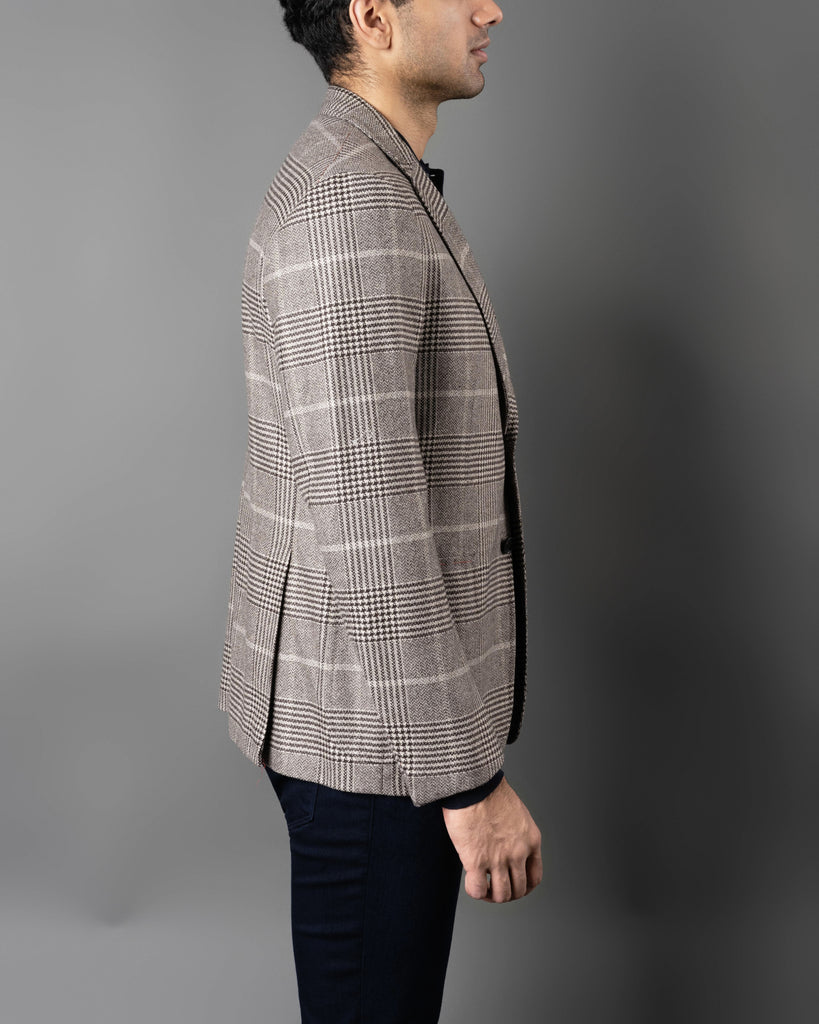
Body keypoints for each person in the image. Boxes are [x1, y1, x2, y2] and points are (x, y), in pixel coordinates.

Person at [218, 1, 543, 1020]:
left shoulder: (375, 175)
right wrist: (467, 784)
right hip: (375, 741)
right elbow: (372, 523)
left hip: (374, 720)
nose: (491, 8)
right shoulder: (351, 202)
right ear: (373, 17)